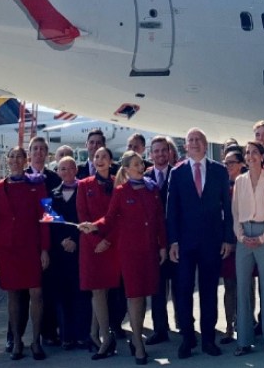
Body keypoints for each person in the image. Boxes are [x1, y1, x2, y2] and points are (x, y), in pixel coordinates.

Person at [79, 151, 168, 366]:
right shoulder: (121, 192)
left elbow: (158, 219)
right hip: (130, 252)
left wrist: (163, 245)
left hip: (149, 250)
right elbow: (109, 219)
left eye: (141, 164)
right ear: (126, 169)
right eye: (136, 164)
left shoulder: (151, 189)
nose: (141, 167)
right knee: (134, 296)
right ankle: (138, 342)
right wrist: (94, 226)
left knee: (144, 296)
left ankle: (136, 338)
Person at [166, 128, 235, 359]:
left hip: (212, 243)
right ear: (185, 146)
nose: (194, 143)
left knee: (209, 292)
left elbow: (228, 206)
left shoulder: (219, 171)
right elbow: (171, 210)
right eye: (190, 140)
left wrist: (228, 238)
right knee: (184, 291)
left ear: (206, 144)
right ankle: (188, 338)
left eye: (198, 140)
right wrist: (173, 241)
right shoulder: (176, 173)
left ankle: (208, 340)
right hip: (185, 244)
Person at [0, 147, 51, 361]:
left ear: (26, 160)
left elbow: (46, 217)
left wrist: (45, 249)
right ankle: (17, 340)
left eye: (19, 157)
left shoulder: (37, 185)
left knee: (36, 294)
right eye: (12, 157)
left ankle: (36, 341)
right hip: (8, 250)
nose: (15, 160)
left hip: (31, 247)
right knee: (14, 295)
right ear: (7, 161)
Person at [231, 141, 264, 356]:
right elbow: (235, 214)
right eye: (247, 153)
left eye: (254, 153)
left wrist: (263, 238)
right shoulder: (240, 181)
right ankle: (243, 340)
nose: (250, 156)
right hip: (244, 237)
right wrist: (241, 236)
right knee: (242, 289)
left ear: (262, 156)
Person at [78, 146, 121, 359]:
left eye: (104, 156)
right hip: (91, 245)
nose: (100, 159)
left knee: (102, 292)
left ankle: (94, 334)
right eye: (96, 156)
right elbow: (82, 217)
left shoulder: (117, 184)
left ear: (111, 161)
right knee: (97, 291)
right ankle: (106, 339)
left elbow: (120, 217)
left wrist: (108, 241)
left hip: (111, 245)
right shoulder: (84, 185)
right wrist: (97, 241)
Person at [49, 157, 92, 352]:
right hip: (60, 252)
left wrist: (75, 239)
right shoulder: (52, 195)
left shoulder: (84, 191)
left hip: (80, 248)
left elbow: (86, 218)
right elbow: (52, 223)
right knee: (62, 295)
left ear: (76, 170)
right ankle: (67, 336)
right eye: (62, 169)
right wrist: (62, 241)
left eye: (69, 168)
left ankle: (83, 335)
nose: (66, 172)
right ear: (58, 172)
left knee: (81, 293)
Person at [28, 137, 62, 347]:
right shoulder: (21, 178)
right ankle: (15, 336)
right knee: (23, 295)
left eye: (43, 149)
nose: (39, 152)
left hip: (49, 241)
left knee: (49, 290)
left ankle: (48, 332)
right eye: (35, 149)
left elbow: (54, 213)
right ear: (29, 153)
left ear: (47, 154)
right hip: (27, 242)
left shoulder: (53, 178)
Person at [146, 135, 177, 344]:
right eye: (156, 151)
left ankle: (185, 325)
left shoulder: (179, 174)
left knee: (180, 287)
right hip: (153, 242)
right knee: (156, 289)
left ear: (169, 152)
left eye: (163, 150)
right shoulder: (144, 176)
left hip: (175, 240)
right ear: (151, 154)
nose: (160, 154)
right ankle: (160, 329)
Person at [218, 147, 243, 344]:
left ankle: (244, 324)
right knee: (229, 285)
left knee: (246, 286)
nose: (228, 167)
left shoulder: (246, 184)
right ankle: (228, 326)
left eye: (232, 163)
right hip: (226, 240)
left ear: (241, 164)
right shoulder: (221, 185)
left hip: (245, 239)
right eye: (225, 163)